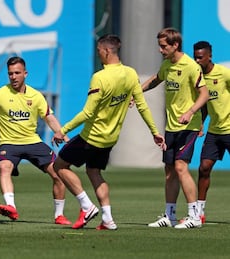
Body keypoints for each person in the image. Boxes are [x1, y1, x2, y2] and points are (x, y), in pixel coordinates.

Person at [52, 34, 166, 230]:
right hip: (110, 138)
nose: (98, 55)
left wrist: (63, 130)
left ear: (106, 51)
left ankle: (86, 206)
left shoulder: (100, 77)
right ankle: (108, 219)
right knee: (94, 171)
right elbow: (142, 106)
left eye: (99, 52)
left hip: (92, 136)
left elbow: (88, 113)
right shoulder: (131, 74)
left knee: (59, 166)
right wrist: (155, 132)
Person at [0, 56, 71, 225]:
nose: (13, 77)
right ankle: (10, 207)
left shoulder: (36, 96)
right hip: (9, 143)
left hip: (32, 142)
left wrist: (62, 133)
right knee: (4, 167)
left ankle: (59, 215)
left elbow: (48, 117)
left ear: (25, 74)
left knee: (59, 173)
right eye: (10, 74)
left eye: (17, 73)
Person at [143, 28, 209, 229]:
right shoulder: (167, 65)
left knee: (181, 167)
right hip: (172, 126)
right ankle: (170, 215)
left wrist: (190, 112)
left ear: (175, 45)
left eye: (164, 46)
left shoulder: (190, 66)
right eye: (160, 46)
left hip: (188, 125)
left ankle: (194, 216)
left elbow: (204, 94)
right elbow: (156, 79)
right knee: (170, 171)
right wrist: (136, 92)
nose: (160, 50)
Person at [193, 41, 230, 224]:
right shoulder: (198, 78)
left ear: (209, 56)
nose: (197, 60)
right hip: (214, 131)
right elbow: (205, 103)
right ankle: (199, 212)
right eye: (195, 57)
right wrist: (201, 122)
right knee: (204, 168)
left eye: (200, 57)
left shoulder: (223, 73)